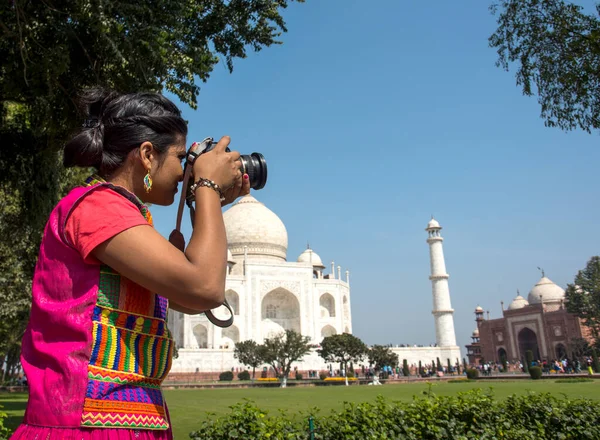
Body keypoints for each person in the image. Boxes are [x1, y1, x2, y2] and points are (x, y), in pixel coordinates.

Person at [11, 88, 249, 439]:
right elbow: (205, 288)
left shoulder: (125, 217)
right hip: (85, 426)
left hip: (124, 421)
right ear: (148, 155)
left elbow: (187, 297)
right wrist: (209, 185)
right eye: (181, 158)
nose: (185, 173)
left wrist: (204, 201)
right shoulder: (97, 208)